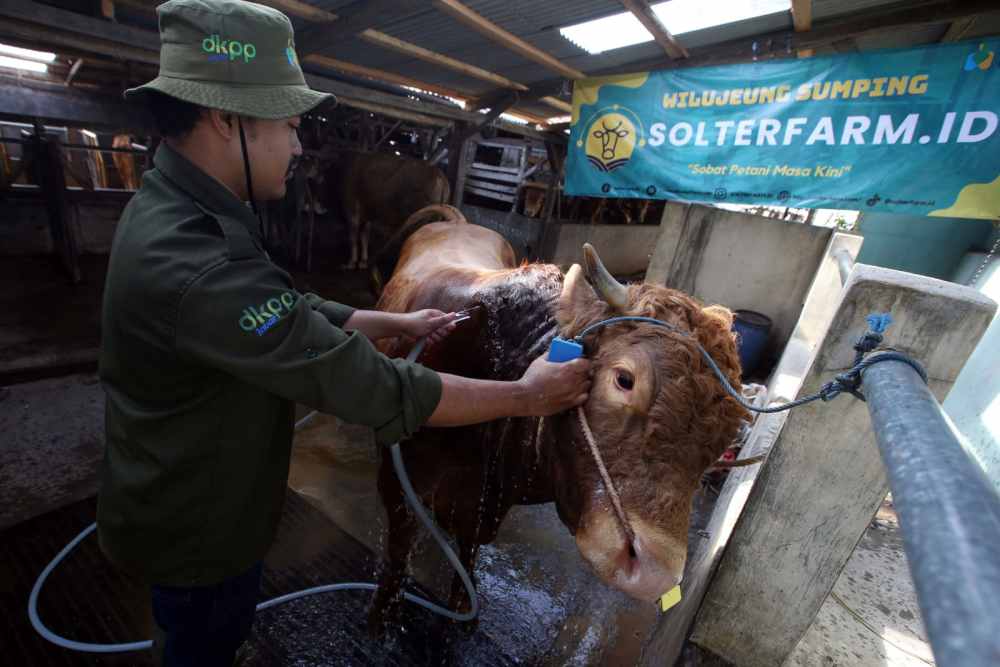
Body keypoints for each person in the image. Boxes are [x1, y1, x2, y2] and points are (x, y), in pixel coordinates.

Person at [96, 1, 591, 665]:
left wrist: (392, 318)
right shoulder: (195, 261)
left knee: (214, 630)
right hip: (200, 527)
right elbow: (371, 384)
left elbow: (280, 309)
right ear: (226, 118)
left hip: (197, 492)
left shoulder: (184, 210)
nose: (299, 146)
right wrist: (526, 397)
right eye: (291, 125)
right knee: (200, 640)